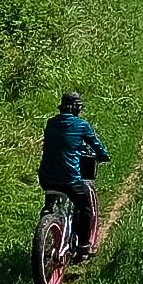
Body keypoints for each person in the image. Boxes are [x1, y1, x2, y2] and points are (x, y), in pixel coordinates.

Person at [39, 91, 109, 260]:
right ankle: (83, 247)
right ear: (77, 108)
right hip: (70, 180)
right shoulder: (81, 125)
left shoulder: (50, 123)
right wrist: (103, 156)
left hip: (46, 179)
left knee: (54, 190)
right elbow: (95, 144)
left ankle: (48, 209)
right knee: (85, 208)